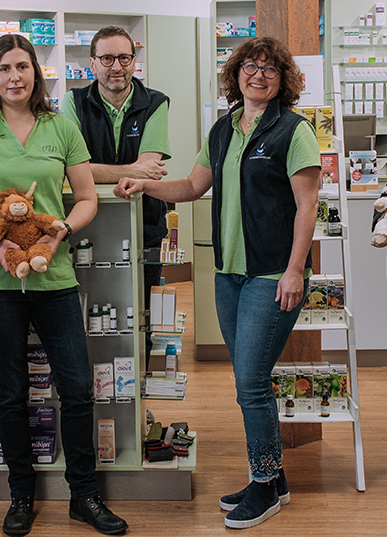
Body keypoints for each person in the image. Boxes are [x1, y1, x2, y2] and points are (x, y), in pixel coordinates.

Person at [115, 36, 319, 530]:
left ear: (283, 80)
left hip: (272, 274)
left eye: (270, 70)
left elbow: (308, 206)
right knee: (247, 379)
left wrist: (295, 270)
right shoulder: (224, 129)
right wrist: (145, 185)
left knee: (250, 382)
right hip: (229, 274)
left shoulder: (295, 130)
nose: (259, 75)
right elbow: (190, 186)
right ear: (236, 74)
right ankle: (273, 480)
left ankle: (266, 483)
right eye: (251, 66)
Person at [0, 35, 127, 537]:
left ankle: (83, 495)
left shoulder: (60, 128)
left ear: (36, 73)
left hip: (54, 277)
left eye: (23, 67)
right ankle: (20, 493)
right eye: (5, 69)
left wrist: (62, 229)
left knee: (77, 388)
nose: (15, 77)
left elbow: (86, 197)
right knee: (11, 392)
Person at [60, 26, 171, 305]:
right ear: (92, 63)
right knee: (92, 304)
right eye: (107, 59)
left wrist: (91, 170)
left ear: (134, 61)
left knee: (142, 310)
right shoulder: (74, 103)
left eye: (124, 58)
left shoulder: (155, 103)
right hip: (88, 223)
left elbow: (151, 168)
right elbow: (73, 171)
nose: (117, 67)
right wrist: (133, 170)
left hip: (145, 224)